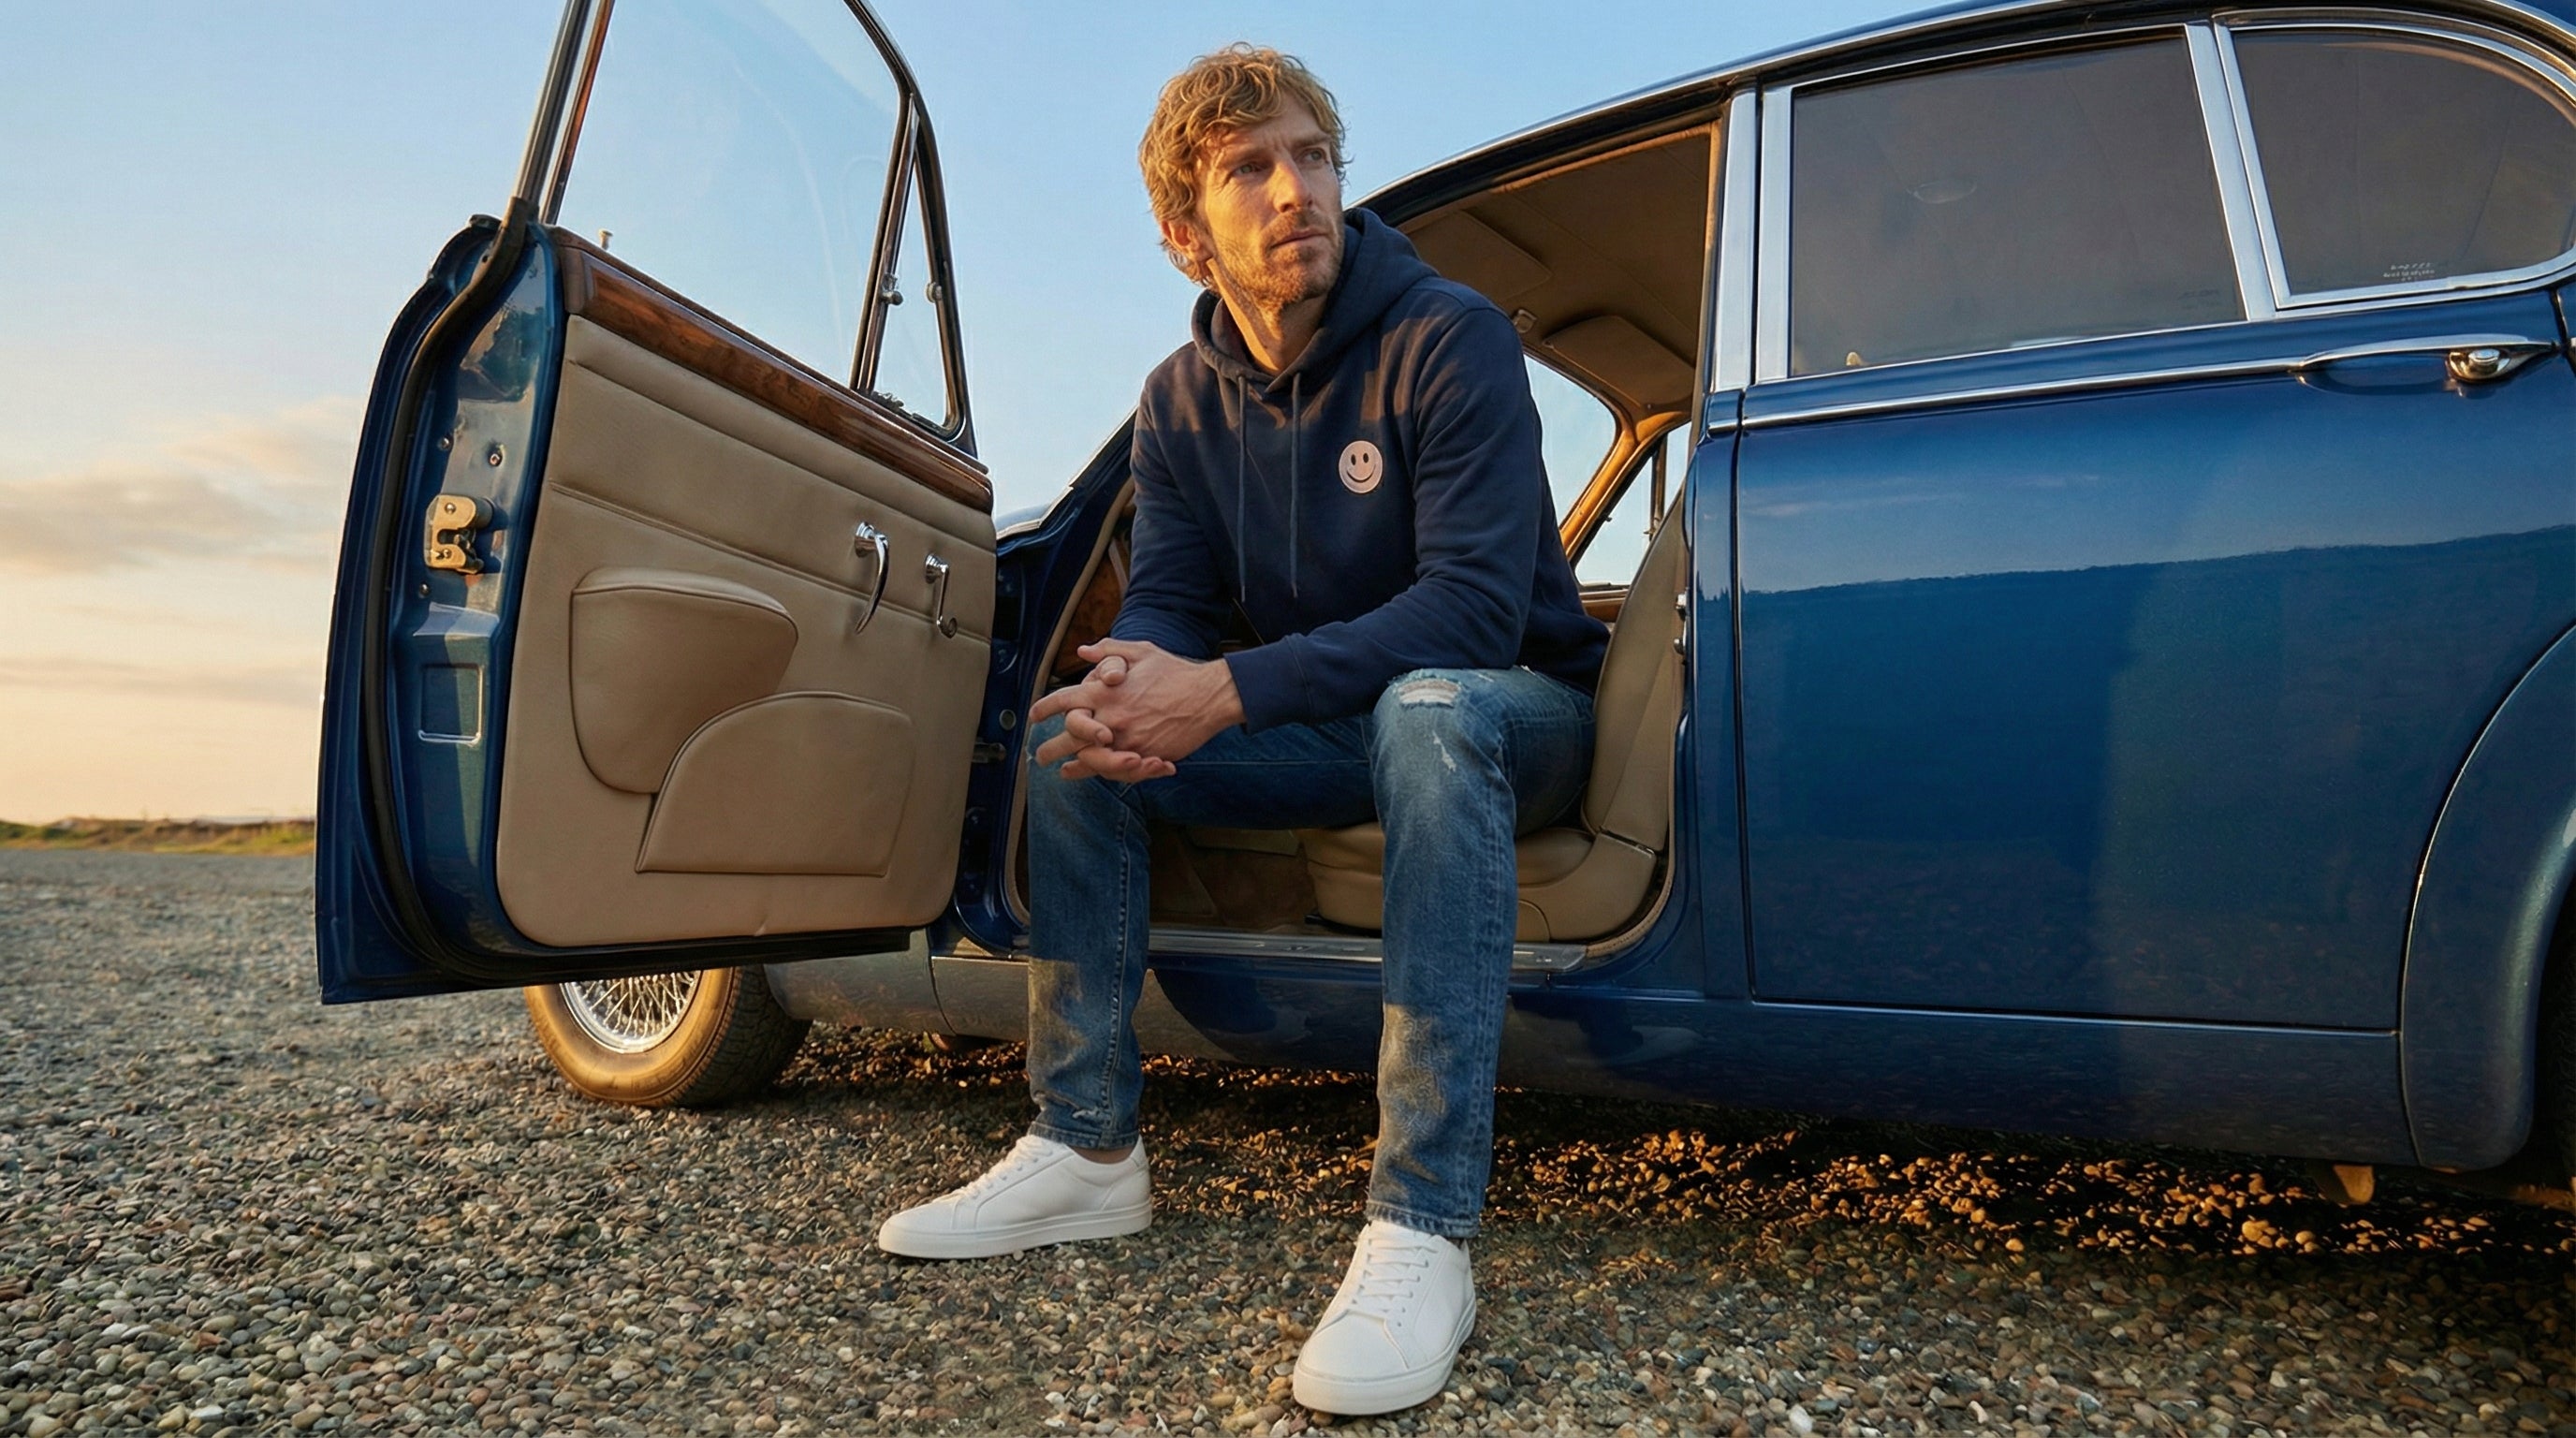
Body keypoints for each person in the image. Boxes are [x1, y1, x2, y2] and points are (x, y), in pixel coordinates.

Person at [875, 44, 1608, 1416]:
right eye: (1251, 170)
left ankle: (1422, 1223)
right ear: (1181, 235)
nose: (1298, 191)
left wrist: (1218, 693)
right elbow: (1167, 603)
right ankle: (1086, 1145)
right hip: (1350, 724)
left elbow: (1467, 614)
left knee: (1430, 709)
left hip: (1517, 711)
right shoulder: (1176, 402)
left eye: (1314, 158)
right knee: (1075, 746)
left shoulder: (1449, 337)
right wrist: (1125, 686)